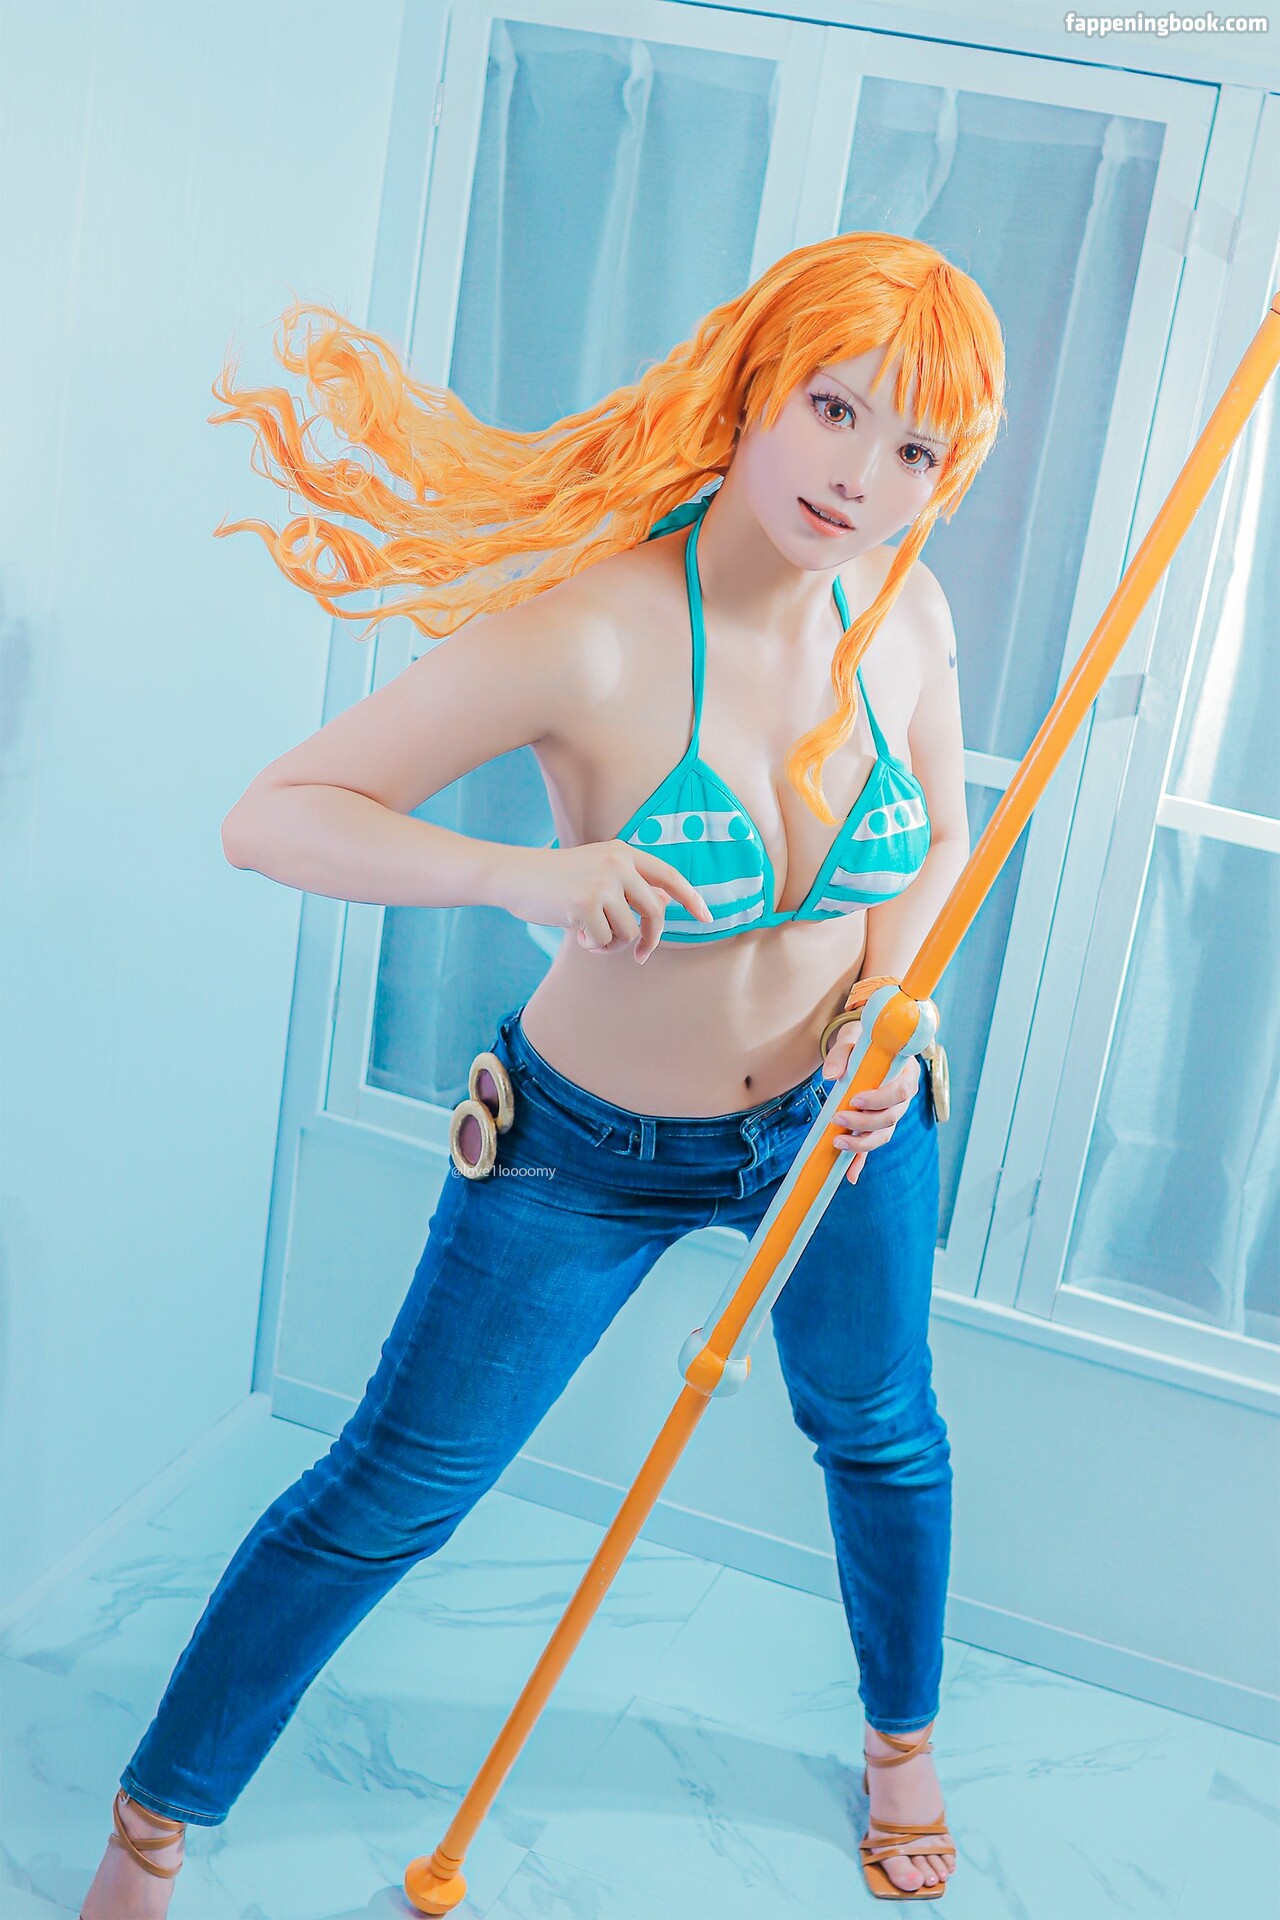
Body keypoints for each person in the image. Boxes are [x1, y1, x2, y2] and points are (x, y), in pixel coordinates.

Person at [80, 231, 1004, 1917]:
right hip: (580, 1153)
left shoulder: (910, 612)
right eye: (834, 409)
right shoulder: (595, 631)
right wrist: (525, 874)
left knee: (881, 1432)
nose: (863, 478)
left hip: (844, 1122)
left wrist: (895, 1005)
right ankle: (153, 1827)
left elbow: (941, 837)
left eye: (916, 448)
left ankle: (900, 1747)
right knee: (399, 1486)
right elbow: (272, 817)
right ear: (754, 385)